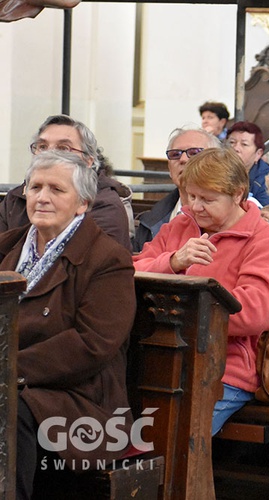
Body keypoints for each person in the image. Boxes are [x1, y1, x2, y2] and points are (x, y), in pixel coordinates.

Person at [0, 151, 136, 499]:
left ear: (82, 204)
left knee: (5, 411)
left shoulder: (106, 258)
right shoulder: (8, 246)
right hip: (14, 383)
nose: (42, 197)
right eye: (35, 187)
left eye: (56, 189)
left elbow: (93, 344)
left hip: (79, 401)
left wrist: (8, 369)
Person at [133, 148, 269, 435]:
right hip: (162, 354)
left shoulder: (265, 241)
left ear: (239, 194)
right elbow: (130, 272)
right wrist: (173, 262)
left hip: (225, 367)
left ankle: (178, 480)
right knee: (116, 411)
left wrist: (184, 312)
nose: (196, 206)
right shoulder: (180, 225)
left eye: (208, 199)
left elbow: (253, 312)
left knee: (176, 432)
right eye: (191, 196)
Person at [0, 115, 132, 251]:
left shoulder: (106, 207)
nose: (49, 154)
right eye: (43, 147)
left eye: (63, 148)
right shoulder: (15, 198)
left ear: (88, 161)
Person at [132, 127, 221, 252]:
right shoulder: (151, 220)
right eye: (175, 154)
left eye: (194, 153)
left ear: (217, 164)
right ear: (169, 169)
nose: (183, 160)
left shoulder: (230, 218)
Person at [226, 121, 269, 206]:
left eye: (244, 144)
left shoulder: (267, 179)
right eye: (232, 142)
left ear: (258, 154)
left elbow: (266, 211)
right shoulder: (216, 170)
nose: (236, 148)